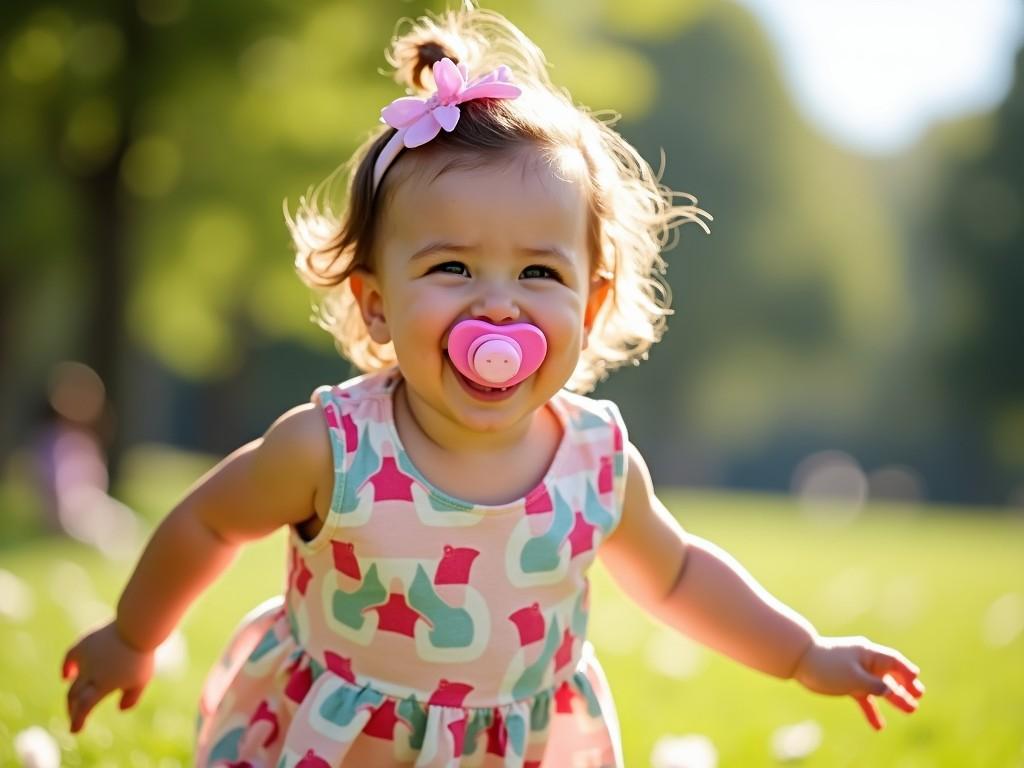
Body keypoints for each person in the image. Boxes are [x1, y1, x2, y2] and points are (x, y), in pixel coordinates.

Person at [61, 7, 924, 766]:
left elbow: (680, 576)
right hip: (339, 744)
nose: (498, 305)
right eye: (452, 265)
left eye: (540, 273)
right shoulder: (330, 448)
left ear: (590, 305)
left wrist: (803, 653)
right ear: (377, 305)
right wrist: (136, 637)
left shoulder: (596, 463)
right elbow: (210, 517)